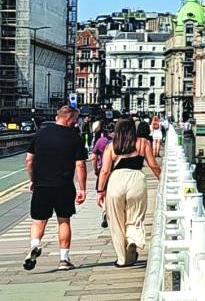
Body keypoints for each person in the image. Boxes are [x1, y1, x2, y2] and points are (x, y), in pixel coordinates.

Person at [23, 105, 87, 271]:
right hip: (64, 187)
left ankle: (35, 245)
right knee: (64, 221)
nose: (76, 123)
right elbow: (80, 165)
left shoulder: (40, 134)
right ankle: (64, 260)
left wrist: (33, 179)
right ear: (68, 118)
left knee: (38, 221)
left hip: (42, 185)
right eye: (75, 120)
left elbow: (29, 161)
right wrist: (83, 189)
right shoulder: (75, 138)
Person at [97, 118, 161, 267]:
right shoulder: (143, 143)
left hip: (116, 182)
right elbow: (154, 165)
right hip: (136, 180)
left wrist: (101, 190)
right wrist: (162, 179)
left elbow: (105, 170)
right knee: (136, 217)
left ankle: (122, 259)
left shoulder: (111, 146)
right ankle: (133, 240)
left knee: (117, 222)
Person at [91, 124, 114, 228]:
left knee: (103, 193)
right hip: (116, 169)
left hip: (103, 168)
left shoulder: (101, 141)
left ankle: (105, 211)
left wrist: (95, 169)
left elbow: (94, 157)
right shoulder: (120, 140)